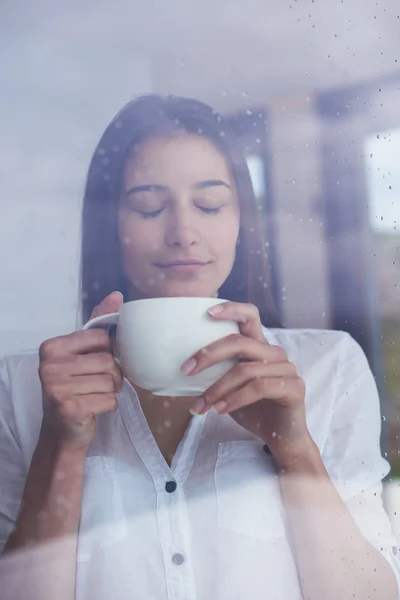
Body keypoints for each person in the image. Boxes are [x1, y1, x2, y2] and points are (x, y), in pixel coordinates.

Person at [0, 94, 399, 600]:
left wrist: (296, 451)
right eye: (148, 207)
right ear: (111, 230)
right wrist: (61, 448)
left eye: (209, 204)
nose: (184, 233)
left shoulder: (326, 366)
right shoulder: (23, 386)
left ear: (240, 223)